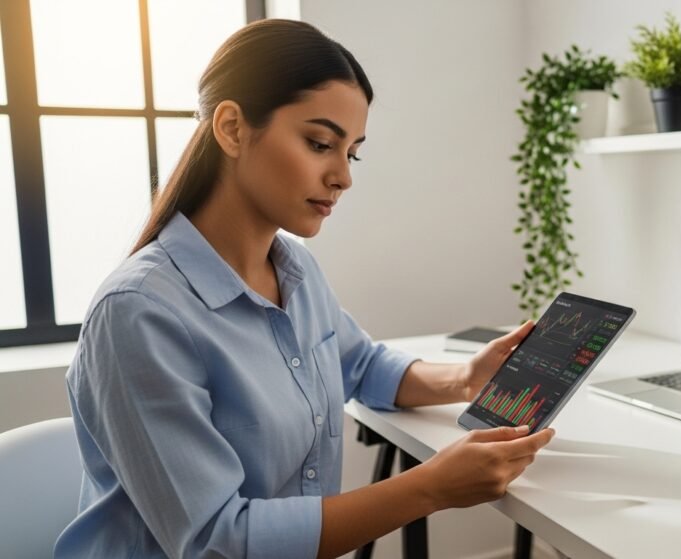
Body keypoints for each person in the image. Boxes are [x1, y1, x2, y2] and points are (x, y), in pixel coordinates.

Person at [54, 19, 554, 559]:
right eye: (320, 144)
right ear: (231, 128)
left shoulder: (294, 269)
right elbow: (217, 542)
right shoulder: (139, 313)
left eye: (352, 152)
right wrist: (430, 487)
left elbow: (360, 364)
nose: (344, 176)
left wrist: (465, 378)